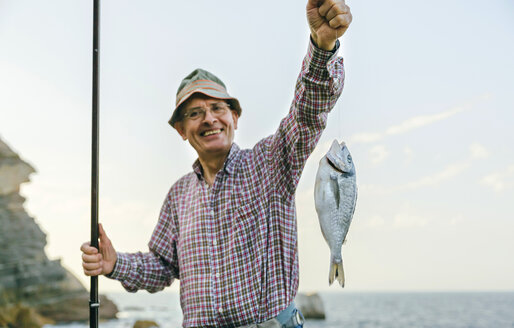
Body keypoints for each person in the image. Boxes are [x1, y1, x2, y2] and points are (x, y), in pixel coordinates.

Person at [81, 0, 352, 327]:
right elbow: (163, 266)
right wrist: (114, 264)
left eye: (217, 108)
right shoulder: (178, 195)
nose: (209, 119)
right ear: (181, 130)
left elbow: (306, 114)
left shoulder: (270, 161)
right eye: (194, 113)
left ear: (234, 116)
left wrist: (322, 48)